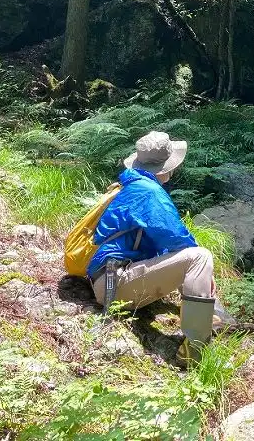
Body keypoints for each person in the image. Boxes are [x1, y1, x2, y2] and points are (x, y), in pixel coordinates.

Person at [87, 131, 215, 361]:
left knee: (193, 259)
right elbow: (178, 241)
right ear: (166, 168)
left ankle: (211, 316)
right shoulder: (150, 193)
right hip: (115, 285)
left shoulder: (132, 185)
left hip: (107, 279)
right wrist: (202, 272)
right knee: (200, 257)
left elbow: (167, 249)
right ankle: (196, 351)